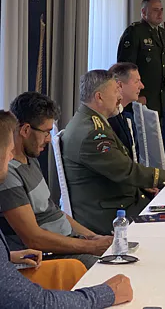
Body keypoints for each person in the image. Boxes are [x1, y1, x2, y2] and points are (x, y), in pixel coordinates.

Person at [0, 110, 133, 307]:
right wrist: (106, 294)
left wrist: (7, 258)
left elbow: (54, 211)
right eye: (9, 151)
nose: (12, 156)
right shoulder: (11, 177)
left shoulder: (30, 161)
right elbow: (35, 303)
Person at [62, 70, 165, 235]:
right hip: (111, 214)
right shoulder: (93, 133)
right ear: (99, 97)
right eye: (115, 91)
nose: (119, 96)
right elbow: (127, 171)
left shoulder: (88, 122)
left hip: (119, 201)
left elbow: (118, 169)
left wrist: (146, 184)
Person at [0, 92, 112, 270]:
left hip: (71, 244)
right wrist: (91, 247)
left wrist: (93, 238)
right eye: (46, 132)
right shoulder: (8, 175)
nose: (48, 139)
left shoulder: (31, 160)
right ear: (25, 130)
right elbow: (33, 239)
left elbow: (53, 211)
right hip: (52, 256)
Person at [116, 0, 165, 118]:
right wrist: (135, 96)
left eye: (161, 10)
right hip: (141, 97)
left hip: (161, 99)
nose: (160, 14)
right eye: (155, 10)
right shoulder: (135, 32)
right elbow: (124, 68)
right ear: (144, 12)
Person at [107, 63, 143, 162]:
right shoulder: (109, 120)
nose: (142, 86)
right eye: (137, 81)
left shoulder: (125, 116)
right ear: (119, 85)